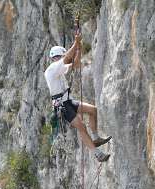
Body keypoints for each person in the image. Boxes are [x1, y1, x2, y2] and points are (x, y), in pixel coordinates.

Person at [44, 33, 112, 162]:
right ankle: (97, 153)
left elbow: (75, 65)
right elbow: (68, 57)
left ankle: (96, 137)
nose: (64, 59)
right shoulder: (52, 69)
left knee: (93, 110)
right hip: (62, 106)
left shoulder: (59, 68)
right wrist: (76, 42)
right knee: (81, 126)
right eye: (62, 57)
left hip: (68, 101)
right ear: (56, 57)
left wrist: (79, 49)